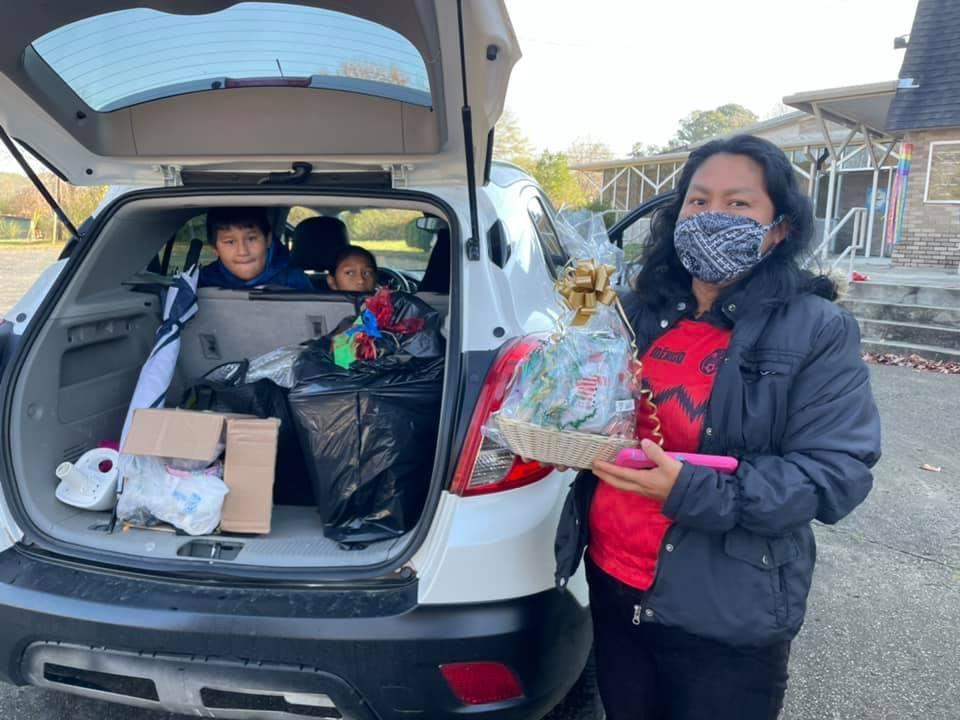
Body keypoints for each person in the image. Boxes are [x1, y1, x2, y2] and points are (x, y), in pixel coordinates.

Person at [554, 134, 882, 720]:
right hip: (613, 580)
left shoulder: (815, 328)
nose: (712, 217)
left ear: (779, 228)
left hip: (729, 606)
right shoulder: (631, 312)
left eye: (738, 204)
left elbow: (835, 474)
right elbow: (589, 410)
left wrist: (690, 490)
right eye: (698, 201)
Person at [198, 207, 313, 290]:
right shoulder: (204, 282)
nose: (242, 251)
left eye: (251, 238)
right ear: (215, 249)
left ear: (268, 240)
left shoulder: (293, 281)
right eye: (230, 242)